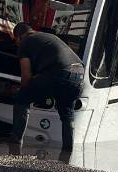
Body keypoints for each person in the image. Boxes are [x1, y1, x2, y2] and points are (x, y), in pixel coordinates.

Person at [11, 23, 84, 151]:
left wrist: (23, 90)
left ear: (18, 36)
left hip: (59, 72)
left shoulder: (25, 42)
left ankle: (15, 143)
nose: (16, 43)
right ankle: (68, 151)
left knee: (21, 98)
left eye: (14, 40)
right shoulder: (48, 37)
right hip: (79, 74)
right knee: (67, 114)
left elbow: (26, 75)